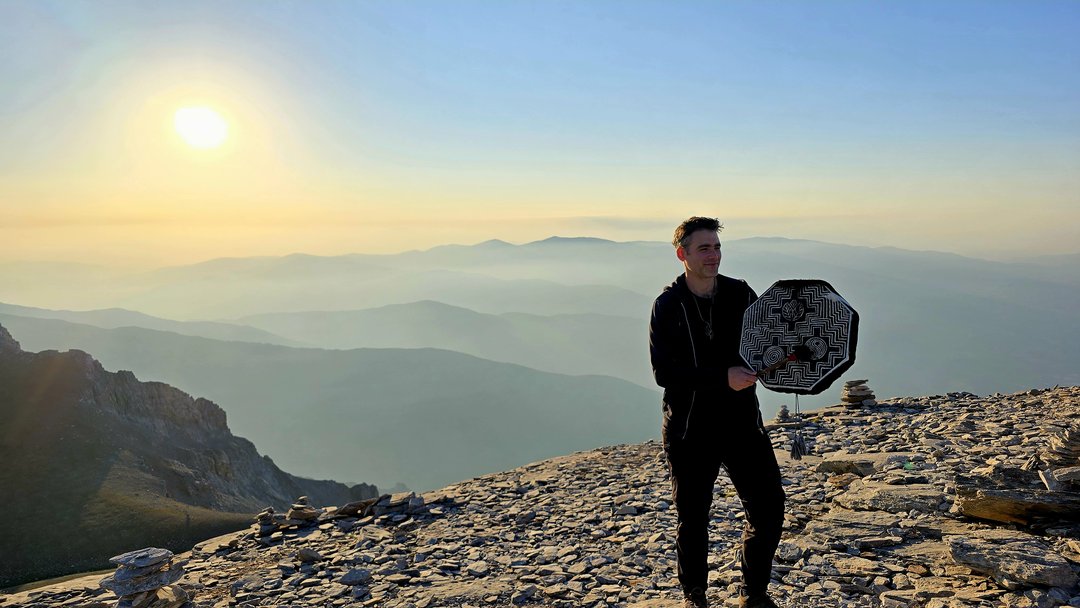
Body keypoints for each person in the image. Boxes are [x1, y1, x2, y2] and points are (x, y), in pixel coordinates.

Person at [649, 217, 785, 608]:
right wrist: (722, 377)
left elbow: (767, 343)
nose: (714, 255)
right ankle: (695, 597)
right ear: (683, 255)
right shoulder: (668, 306)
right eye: (704, 248)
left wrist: (788, 359)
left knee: (769, 508)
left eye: (717, 247)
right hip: (690, 429)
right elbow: (664, 373)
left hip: (743, 424)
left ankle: (753, 593)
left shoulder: (741, 294)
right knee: (693, 519)